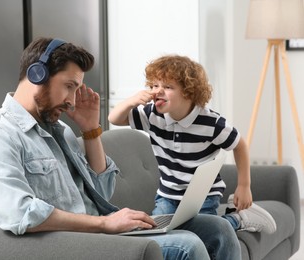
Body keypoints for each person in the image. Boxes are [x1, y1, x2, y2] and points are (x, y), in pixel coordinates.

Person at [0, 37, 241, 259]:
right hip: (78, 244)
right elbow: (20, 214)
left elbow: (101, 191)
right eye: (69, 87)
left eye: (76, 89)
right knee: (188, 247)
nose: (72, 101)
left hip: (105, 232)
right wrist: (104, 224)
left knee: (218, 230)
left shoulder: (59, 130)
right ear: (37, 75)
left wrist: (90, 131)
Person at [108, 54, 277, 234]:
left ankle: (238, 219)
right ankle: (232, 219)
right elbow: (114, 118)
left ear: (188, 91)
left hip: (203, 196)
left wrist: (244, 186)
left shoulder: (211, 123)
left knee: (208, 232)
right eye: (155, 85)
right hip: (168, 196)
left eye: (167, 86)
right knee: (158, 234)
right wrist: (131, 101)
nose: (157, 91)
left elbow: (239, 145)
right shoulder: (152, 115)